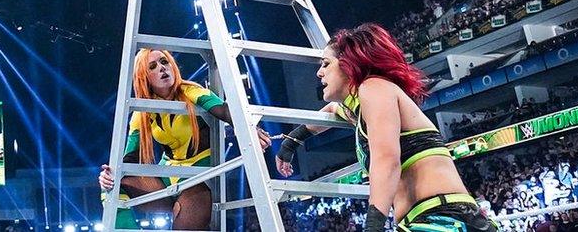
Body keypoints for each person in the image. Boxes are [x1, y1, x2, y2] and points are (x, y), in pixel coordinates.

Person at [315, 23, 497, 232]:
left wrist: (373, 227)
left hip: (442, 218)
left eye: (326, 64)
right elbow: (333, 110)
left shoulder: (373, 88)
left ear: (349, 63)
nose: (319, 73)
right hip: (433, 219)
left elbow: (387, 160)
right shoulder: (367, 104)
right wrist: (291, 142)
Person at [99, 48, 270, 230]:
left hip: (198, 177)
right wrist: (107, 175)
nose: (162, 68)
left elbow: (225, 110)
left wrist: (251, 130)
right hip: (169, 176)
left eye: (164, 62)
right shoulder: (142, 112)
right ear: (144, 77)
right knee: (113, 182)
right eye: (153, 66)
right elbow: (129, 159)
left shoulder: (190, 90)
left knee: (193, 205)